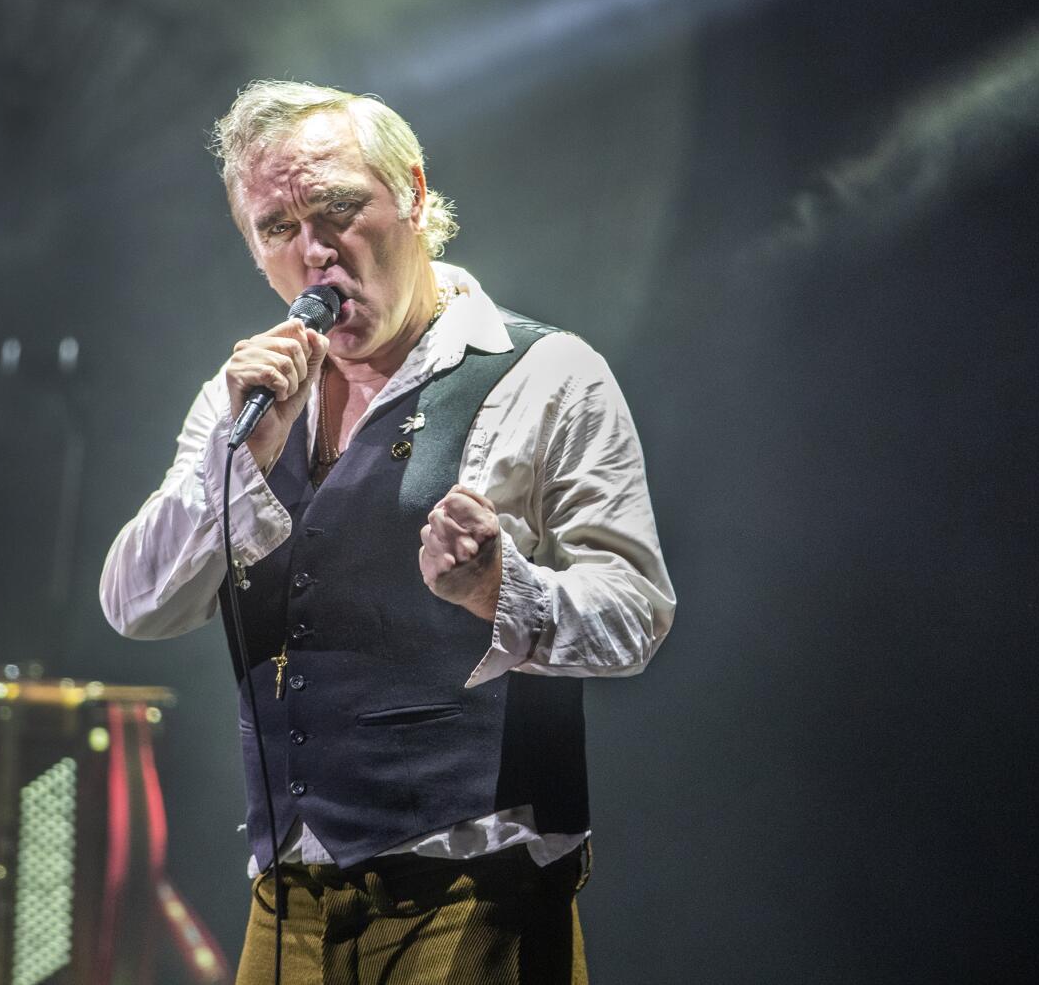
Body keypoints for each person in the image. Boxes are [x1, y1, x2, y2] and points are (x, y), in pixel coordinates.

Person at [99, 80, 675, 984]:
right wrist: (244, 458)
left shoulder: (546, 373)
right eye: (277, 229)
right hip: (288, 895)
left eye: (337, 209)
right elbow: (136, 604)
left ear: (411, 192)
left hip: (474, 888)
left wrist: (502, 587)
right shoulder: (244, 399)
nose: (315, 252)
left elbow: (636, 612)